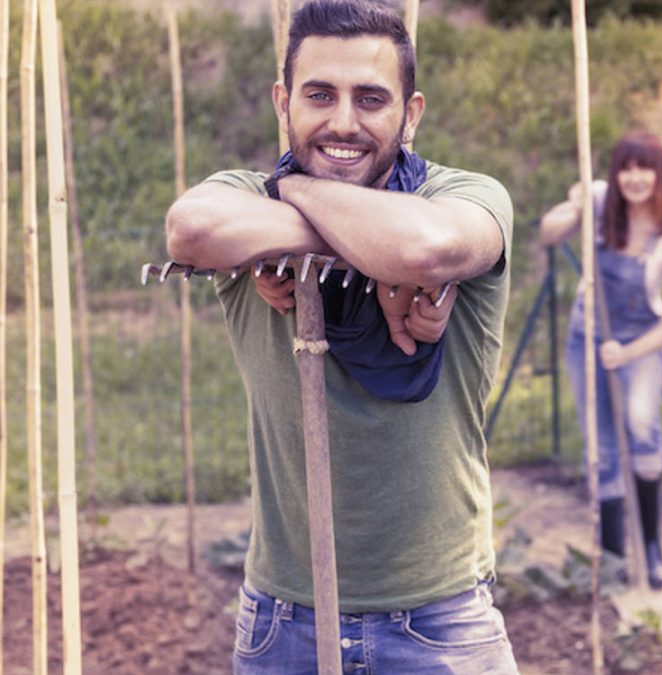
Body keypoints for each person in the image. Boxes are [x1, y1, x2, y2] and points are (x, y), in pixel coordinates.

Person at [164, 1, 518, 672]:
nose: (343, 122)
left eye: (371, 98)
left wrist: (292, 205)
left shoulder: (465, 194)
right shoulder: (242, 192)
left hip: (439, 621)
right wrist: (353, 232)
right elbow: (194, 232)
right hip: (283, 619)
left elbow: (427, 245)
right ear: (282, 101)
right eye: (319, 95)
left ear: (410, 113)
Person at [539, 129, 662, 590]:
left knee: (641, 421)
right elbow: (549, 235)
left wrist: (628, 352)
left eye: (644, 168)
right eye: (626, 167)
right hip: (586, 339)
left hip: (641, 344)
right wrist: (574, 205)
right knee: (602, 449)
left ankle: (651, 546)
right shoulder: (598, 201)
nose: (634, 178)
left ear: (660, 175)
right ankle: (613, 561)